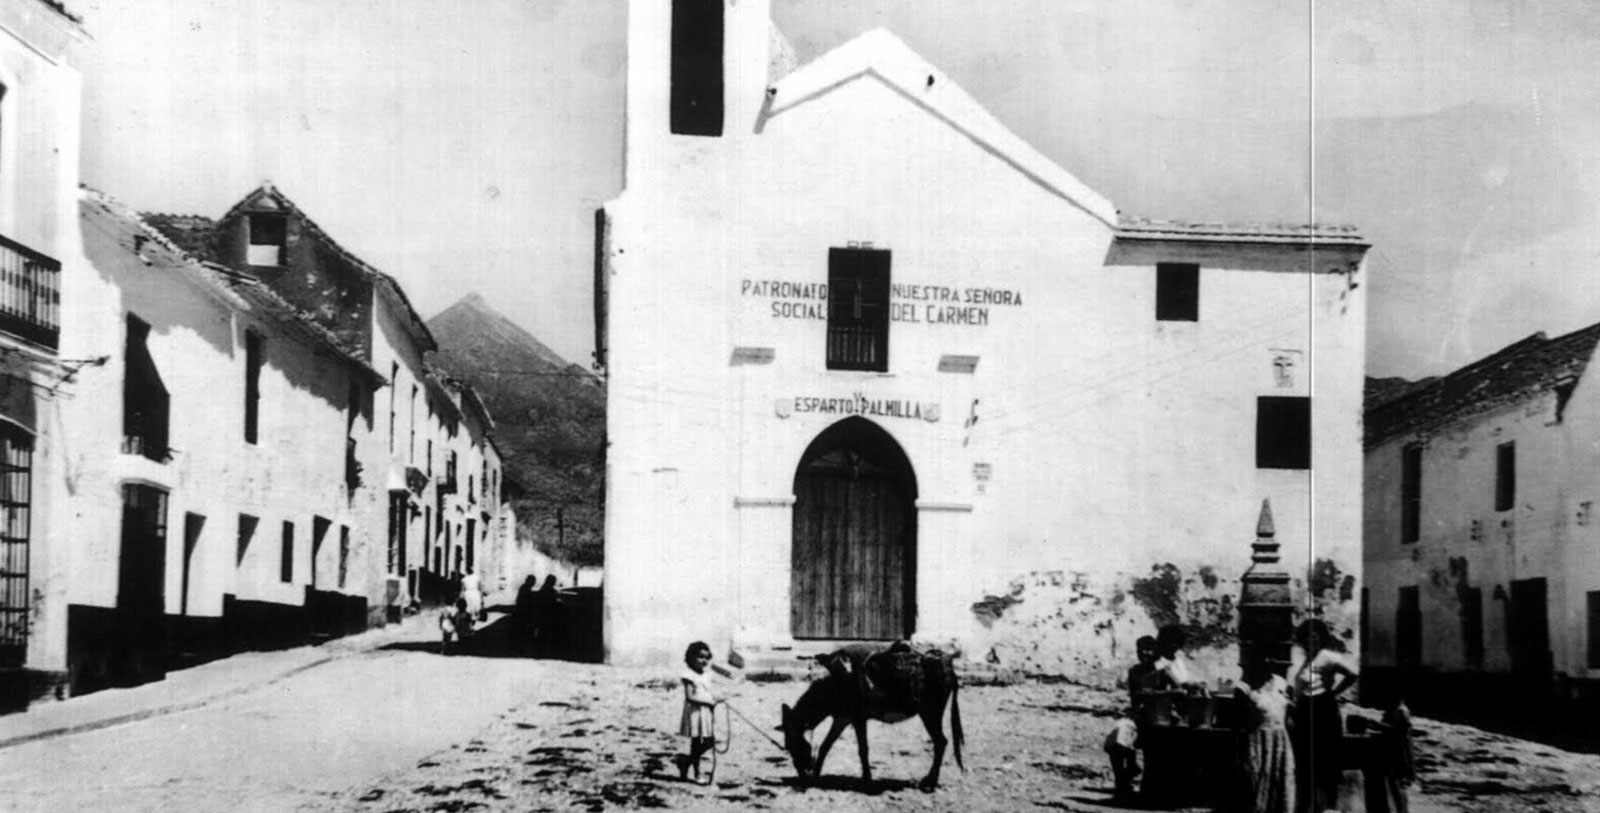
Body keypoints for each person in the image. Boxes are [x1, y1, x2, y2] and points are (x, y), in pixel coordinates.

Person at [1291, 619, 1359, 813]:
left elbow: (1353, 673)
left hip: (1323, 711)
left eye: (1314, 637)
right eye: (1306, 638)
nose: (1310, 641)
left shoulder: (1327, 656)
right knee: (1306, 761)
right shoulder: (1305, 660)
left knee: (1326, 760)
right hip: (1305, 711)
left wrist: (1333, 693)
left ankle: (1330, 807)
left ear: (1321, 639)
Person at [1227, 653, 1295, 813]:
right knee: (1256, 782)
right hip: (1257, 741)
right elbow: (1237, 723)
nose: (1268, 660)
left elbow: (1291, 711)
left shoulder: (1282, 683)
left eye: (1271, 656)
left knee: (1281, 782)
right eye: (1263, 656)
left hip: (1280, 741)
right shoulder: (1243, 687)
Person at [1105, 635, 1161, 800]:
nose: (1144, 653)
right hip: (1139, 716)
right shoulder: (1134, 672)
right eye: (1140, 650)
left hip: (1157, 718)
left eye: (1148, 649)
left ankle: (1132, 776)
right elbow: (1136, 699)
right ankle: (1121, 781)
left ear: (1155, 651)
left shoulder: (1162, 671)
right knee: (1117, 736)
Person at [675, 640, 735, 783]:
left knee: (707, 743)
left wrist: (716, 698)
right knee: (697, 743)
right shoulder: (688, 675)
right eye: (700, 657)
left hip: (706, 713)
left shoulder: (706, 674)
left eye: (707, 658)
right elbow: (690, 697)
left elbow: (707, 691)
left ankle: (687, 764)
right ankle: (696, 773)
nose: (704, 661)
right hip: (695, 714)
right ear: (691, 657)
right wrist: (709, 701)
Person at [531, 575, 561, 657]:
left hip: (542, 615)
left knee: (541, 633)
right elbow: (554, 603)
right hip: (548, 615)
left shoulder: (542, 590)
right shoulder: (552, 591)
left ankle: (539, 650)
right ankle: (545, 650)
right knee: (547, 633)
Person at [514, 575, 539, 654]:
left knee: (523, 631)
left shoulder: (525, 588)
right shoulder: (525, 588)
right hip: (523, 613)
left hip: (522, 612)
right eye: (533, 581)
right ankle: (522, 648)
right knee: (524, 631)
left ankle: (522, 647)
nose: (534, 583)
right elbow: (526, 601)